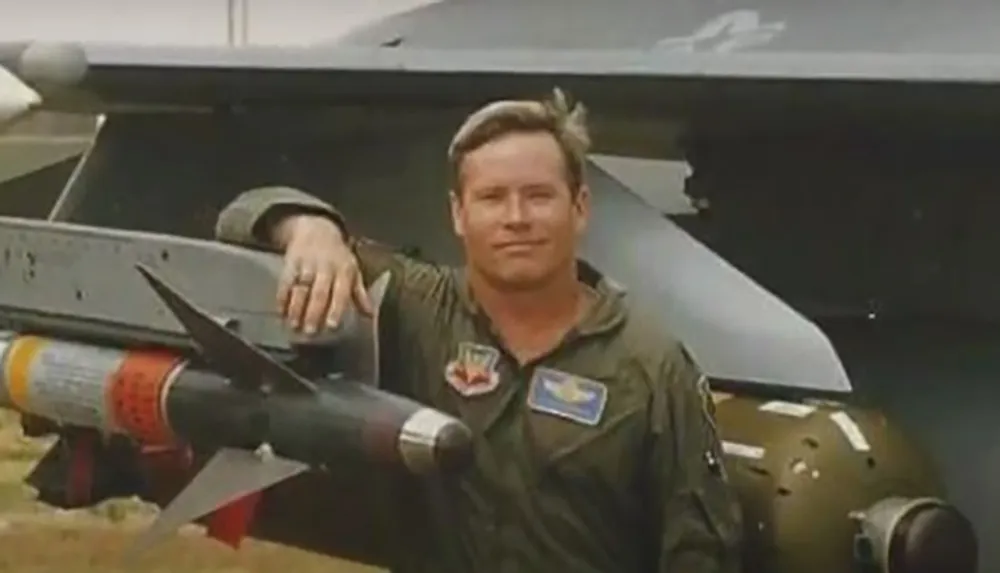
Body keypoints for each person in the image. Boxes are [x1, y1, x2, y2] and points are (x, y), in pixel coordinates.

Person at [214, 89, 742, 572]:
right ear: (458, 215)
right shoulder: (419, 308)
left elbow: (700, 548)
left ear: (580, 209)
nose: (516, 218)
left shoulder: (652, 366)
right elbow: (241, 216)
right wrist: (313, 229)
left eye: (538, 196)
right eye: (492, 198)